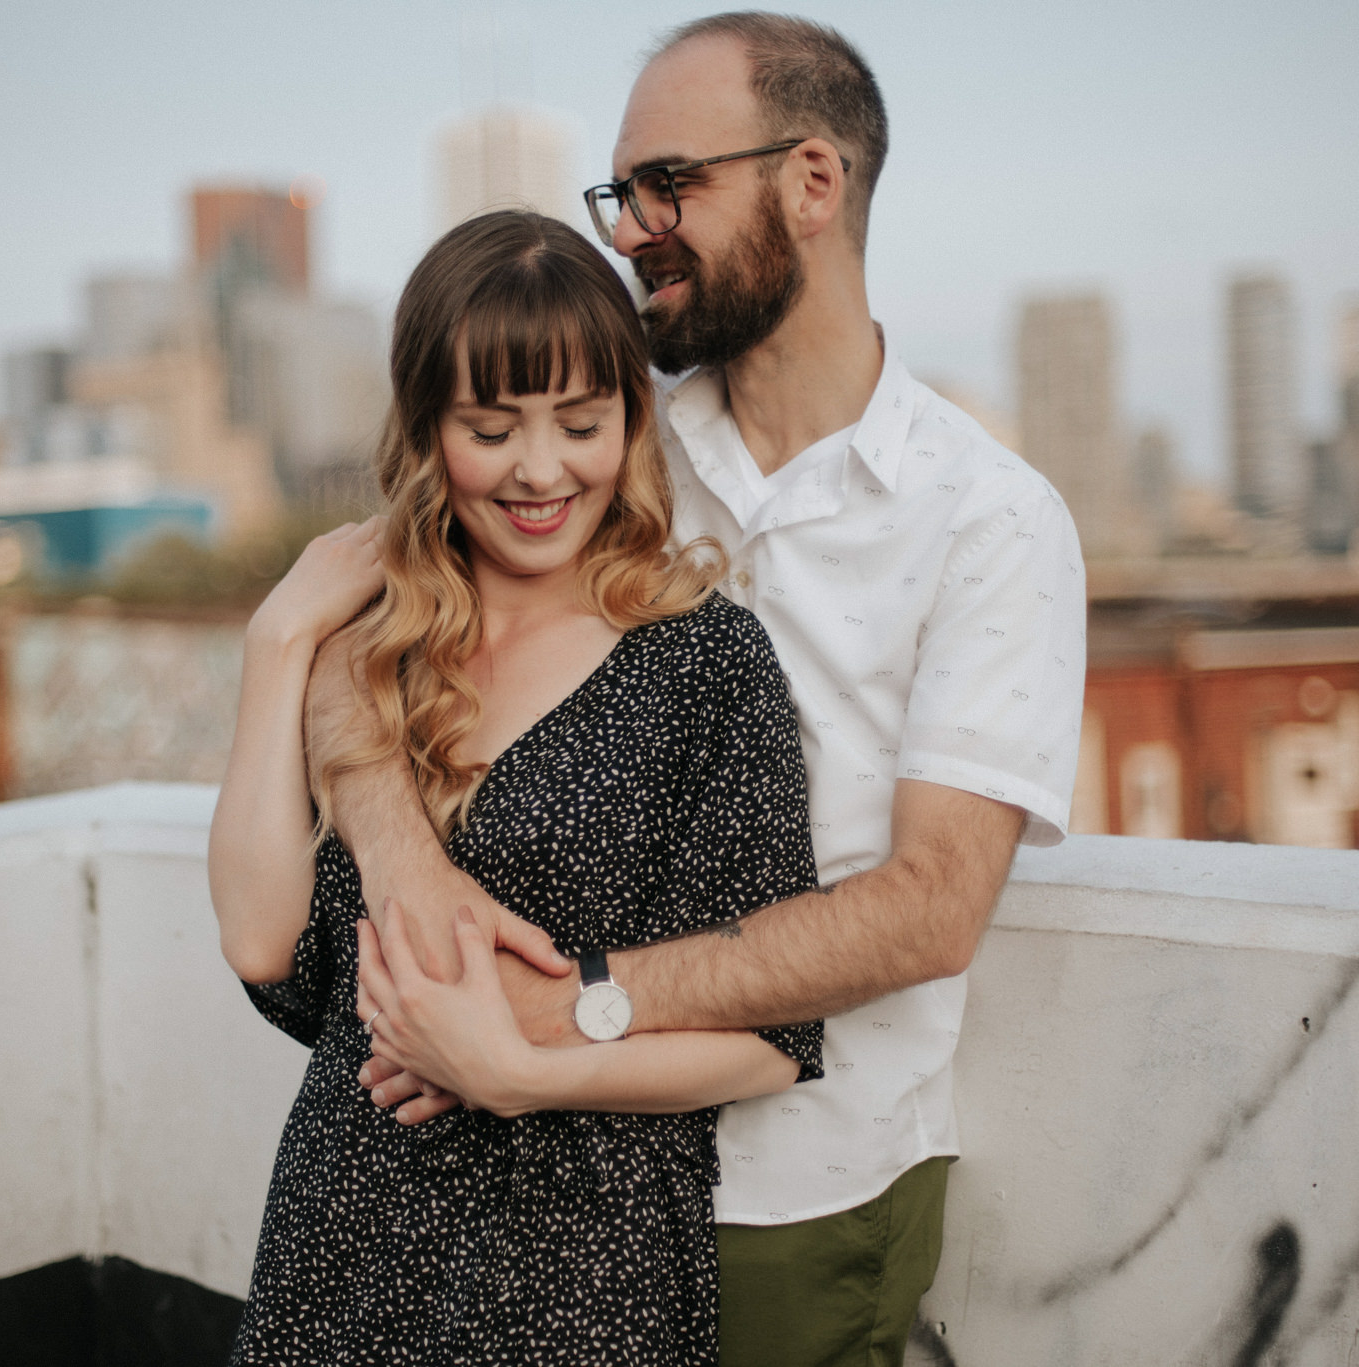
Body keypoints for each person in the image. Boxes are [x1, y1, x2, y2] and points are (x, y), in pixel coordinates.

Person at [328, 14, 1087, 1367]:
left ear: (813, 182)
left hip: (796, 1185)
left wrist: (573, 1005)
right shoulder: (608, 446)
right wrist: (408, 869)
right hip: (536, 1176)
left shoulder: (993, 520)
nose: (630, 230)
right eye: (620, 194)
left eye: (670, 186)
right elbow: (360, 636)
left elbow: (930, 910)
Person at [207, 208, 824, 1365]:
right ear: (429, 430)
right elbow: (260, 943)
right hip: (340, 1249)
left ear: (629, 421)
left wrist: (519, 1073)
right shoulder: (366, 644)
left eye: (580, 422)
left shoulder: (702, 661)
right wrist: (278, 636)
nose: (543, 470)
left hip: (579, 1272)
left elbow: (771, 1039)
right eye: (492, 428)